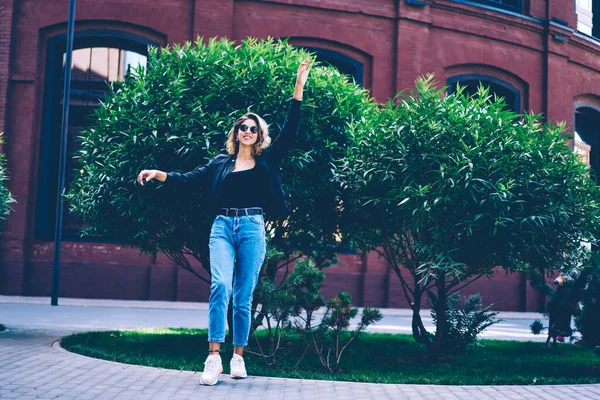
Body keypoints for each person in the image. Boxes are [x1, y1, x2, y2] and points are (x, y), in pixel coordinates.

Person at [136, 59, 311, 385]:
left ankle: (239, 357)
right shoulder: (220, 164)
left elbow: (291, 131)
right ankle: (213, 357)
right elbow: (187, 179)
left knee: (243, 296)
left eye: (253, 128)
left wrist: (298, 89)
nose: (247, 131)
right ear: (236, 133)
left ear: (259, 135)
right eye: (242, 127)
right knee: (220, 286)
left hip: (251, 228)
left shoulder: (267, 162)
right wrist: (158, 174)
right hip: (222, 227)